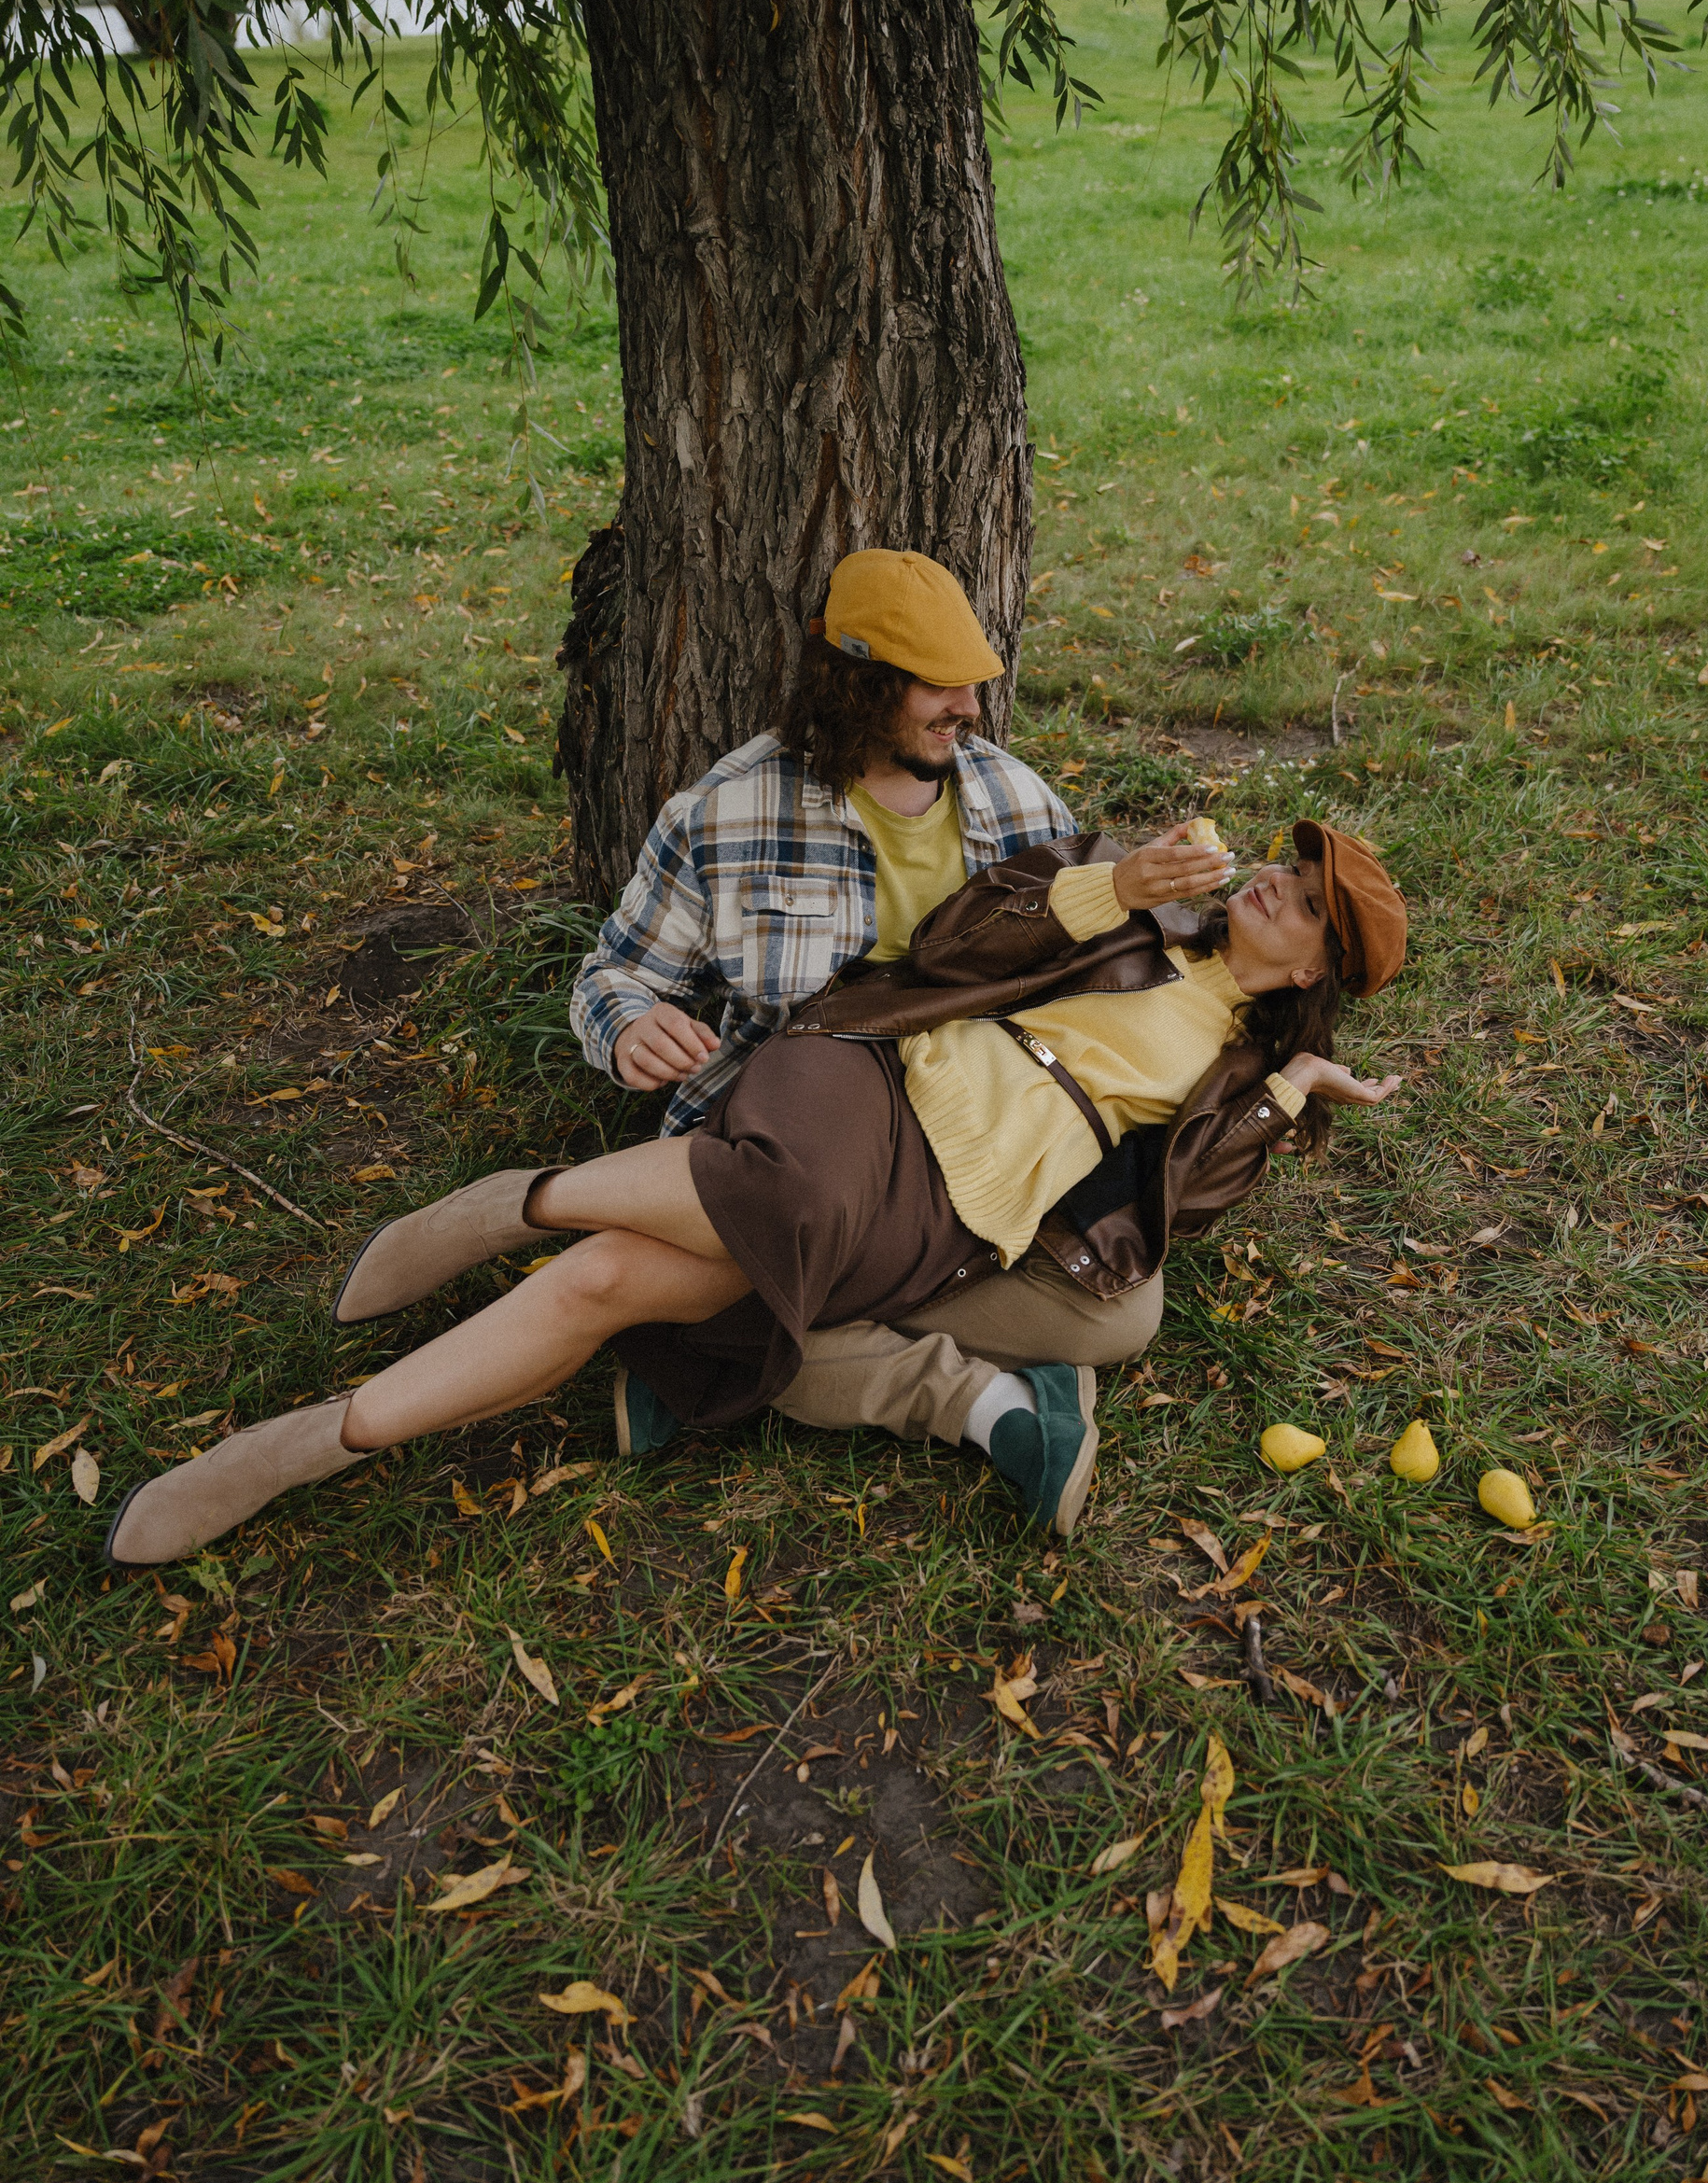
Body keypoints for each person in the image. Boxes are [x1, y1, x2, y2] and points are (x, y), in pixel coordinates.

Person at [105, 817, 1406, 1567]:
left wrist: (1291, 1092)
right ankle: (508, 1214)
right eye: (1284, 871)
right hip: (878, 1082)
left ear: (1311, 973)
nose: (1270, 886)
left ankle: (323, 1427)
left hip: (951, 1211)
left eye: (1299, 905)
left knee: (609, 1279)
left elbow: (1184, 1206)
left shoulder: (1245, 1074)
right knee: (787, 1201)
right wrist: (1111, 886)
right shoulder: (1146, 903)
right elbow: (954, 945)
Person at [329, 546, 1151, 1467]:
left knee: (1118, 1316)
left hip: (961, 1138)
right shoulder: (730, 813)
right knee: (800, 1228)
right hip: (785, 1139)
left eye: (972, 682)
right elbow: (615, 978)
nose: (969, 707)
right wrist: (631, 1028)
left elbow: (1086, 980)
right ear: (856, 681)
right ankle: (956, 1393)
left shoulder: (1017, 804)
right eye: (937, 685)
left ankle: (697, 1333)